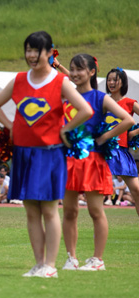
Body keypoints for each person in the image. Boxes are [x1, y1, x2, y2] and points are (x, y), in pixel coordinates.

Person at [0, 31, 93, 278]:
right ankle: (38, 263)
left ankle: (50, 266)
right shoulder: (19, 80)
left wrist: (65, 128)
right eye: (28, 50)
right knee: (30, 210)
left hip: (49, 154)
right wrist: (12, 127)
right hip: (24, 154)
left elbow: (85, 109)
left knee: (48, 210)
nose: (31, 55)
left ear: (49, 53)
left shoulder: (60, 81)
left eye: (36, 50)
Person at [61, 54, 134, 272]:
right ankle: (71, 258)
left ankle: (97, 260)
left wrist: (104, 138)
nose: (74, 73)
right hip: (70, 159)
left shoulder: (101, 98)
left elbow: (128, 120)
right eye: (72, 69)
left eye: (79, 69)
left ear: (92, 72)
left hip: (93, 160)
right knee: (69, 211)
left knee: (95, 210)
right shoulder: (67, 97)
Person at [104, 68, 139, 216]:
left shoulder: (130, 103)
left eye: (115, 80)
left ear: (123, 82)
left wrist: (133, 133)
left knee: (136, 190)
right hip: (103, 151)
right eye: (109, 79)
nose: (111, 83)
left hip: (122, 152)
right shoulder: (103, 101)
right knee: (96, 191)